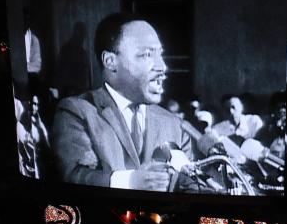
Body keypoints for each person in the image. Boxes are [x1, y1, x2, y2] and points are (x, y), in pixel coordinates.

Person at [52, 13, 191, 191]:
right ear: (110, 61)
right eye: (147, 54)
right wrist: (131, 182)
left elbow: (190, 186)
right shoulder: (75, 111)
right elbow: (75, 176)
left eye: (160, 55)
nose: (162, 66)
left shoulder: (173, 123)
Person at [16, 94, 50, 179]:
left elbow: (48, 146)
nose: (32, 107)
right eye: (30, 103)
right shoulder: (20, 124)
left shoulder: (39, 125)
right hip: (27, 168)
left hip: (41, 167)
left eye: (35, 104)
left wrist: (41, 128)